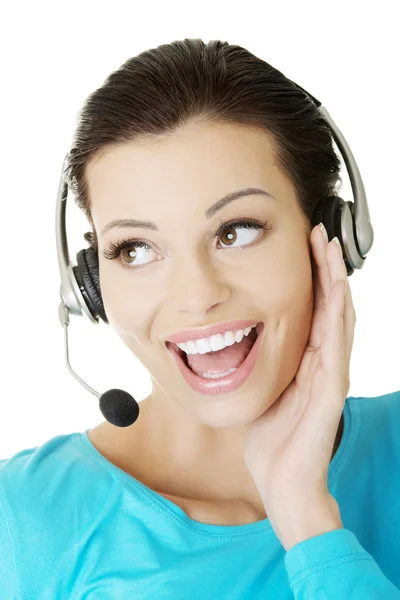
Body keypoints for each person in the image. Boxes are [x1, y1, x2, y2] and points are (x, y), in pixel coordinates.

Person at [1, 38, 399, 598]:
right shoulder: (22, 520)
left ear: (333, 236)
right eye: (134, 249)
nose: (197, 296)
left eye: (235, 231)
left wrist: (307, 517)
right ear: (87, 286)